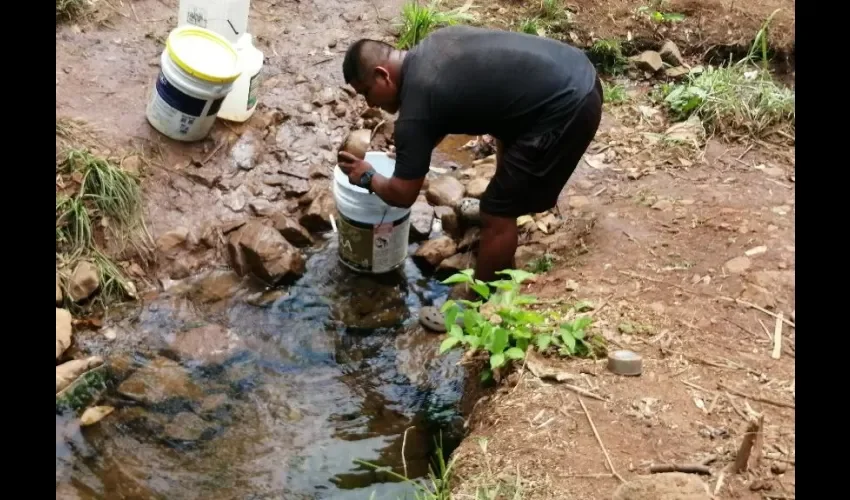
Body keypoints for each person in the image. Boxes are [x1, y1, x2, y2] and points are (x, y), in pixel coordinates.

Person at [338, 25, 603, 301]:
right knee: (506, 166)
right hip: (576, 70)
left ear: (383, 76)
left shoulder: (416, 111)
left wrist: (367, 176)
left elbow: (403, 195)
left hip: (569, 106)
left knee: (496, 212)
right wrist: (409, 156)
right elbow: (438, 117)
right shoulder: (433, 45)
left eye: (366, 92)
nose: (370, 103)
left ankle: (476, 305)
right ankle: (503, 251)